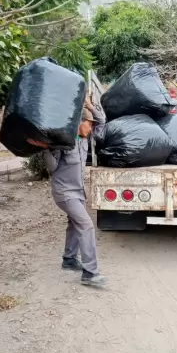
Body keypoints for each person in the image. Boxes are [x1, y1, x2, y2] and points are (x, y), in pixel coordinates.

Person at [28, 96, 107, 287]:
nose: (90, 128)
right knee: (86, 225)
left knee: (74, 224)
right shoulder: (64, 142)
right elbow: (53, 168)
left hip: (78, 192)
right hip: (64, 192)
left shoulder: (85, 139)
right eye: (88, 124)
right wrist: (46, 149)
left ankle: (69, 259)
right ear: (78, 124)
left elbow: (102, 121)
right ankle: (90, 273)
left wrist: (89, 106)